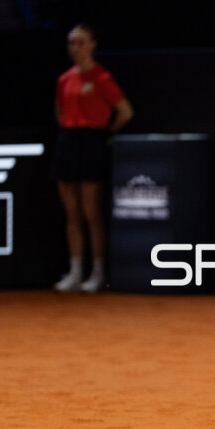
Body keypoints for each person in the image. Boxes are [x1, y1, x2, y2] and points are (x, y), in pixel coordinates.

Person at [51, 24, 133, 292]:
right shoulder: (64, 79)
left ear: (92, 45)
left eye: (80, 42)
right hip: (67, 143)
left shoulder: (102, 78)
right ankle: (75, 271)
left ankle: (97, 273)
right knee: (71, 214)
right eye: (71, 43)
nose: (74, 48)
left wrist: (102, 135)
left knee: (91, 213)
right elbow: (60, 113)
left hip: (92, 143)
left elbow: (124, 112)